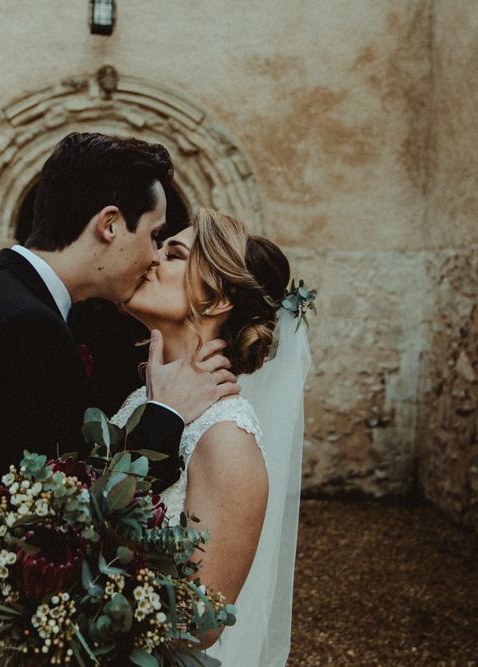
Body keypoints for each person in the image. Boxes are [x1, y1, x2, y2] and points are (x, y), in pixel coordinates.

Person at [0, 133, 238, 666]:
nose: (152, 257)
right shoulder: (24, 327)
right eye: (153, 236)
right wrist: (164, 418)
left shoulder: (2, 300)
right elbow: (58, 521)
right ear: (108, 224)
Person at [111, 208, 310, 666]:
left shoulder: (226, 438)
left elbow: (200, 619)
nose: (152, 258)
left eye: (174, 253)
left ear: (218, 299)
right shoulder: (142, 399)